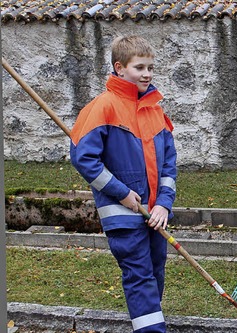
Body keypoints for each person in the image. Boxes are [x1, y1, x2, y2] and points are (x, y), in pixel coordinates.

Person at [70, 35, 177, 332]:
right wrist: (121, 194)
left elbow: (169, 164)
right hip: (122, 215)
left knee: (155, 273)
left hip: (155, 215)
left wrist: (164, 205)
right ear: (119, 68)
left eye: (151, 68)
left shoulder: (155, 109)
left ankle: (149, 323)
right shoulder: (103, 107)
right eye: (139, 67)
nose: (147, 74)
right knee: (140, 277)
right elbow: (84, 158)